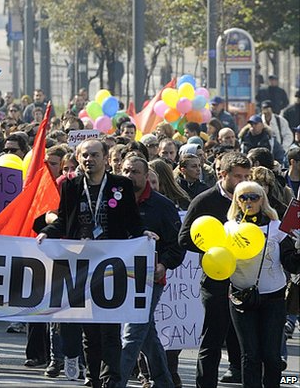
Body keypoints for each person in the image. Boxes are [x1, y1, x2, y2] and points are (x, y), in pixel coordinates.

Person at [37, 139, 153, 388]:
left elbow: (132, 221)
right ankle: (93, 376)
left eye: (94, 155)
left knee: (110, 326)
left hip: (112, 264)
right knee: (89, 328)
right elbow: (64, 220)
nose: (89, 159)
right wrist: (47, 232)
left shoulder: (121, 185)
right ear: (78, 158)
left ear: (105, 158)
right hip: (82, 264)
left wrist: (143, 234)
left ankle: (111, 378)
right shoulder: (71, 186)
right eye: (85, 155)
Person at [178, 151, 252, 387]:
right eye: (238, 176)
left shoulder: (252, 200)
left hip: (247, 279)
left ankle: (243, 377)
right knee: (213, 339)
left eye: (247, 176)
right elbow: (184, 238)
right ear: (223, 174)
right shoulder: (205, 200)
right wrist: (215, 246)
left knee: (248, 343)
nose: (243, 181)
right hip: (216, 279)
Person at [226, 182, 299, 388]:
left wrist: (298, 249)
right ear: (237, 202)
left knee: (272, 356)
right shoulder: (228, 228)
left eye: (254, 197)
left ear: (262, 200)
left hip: (273, 298)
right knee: (250, 355)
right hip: (241, 297)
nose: (248, 201)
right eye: (243, 197)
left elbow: (292, 264)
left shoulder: (276, 228)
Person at [118, 155, 182, 388]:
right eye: (126, 171)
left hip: (149, 281)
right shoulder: (113, 201)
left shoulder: (162, 206)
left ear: (146, 176)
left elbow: (177, 245)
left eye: (135, 172)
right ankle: (164, 381)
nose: (130, 176)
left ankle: (115, 382)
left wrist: (163, 264)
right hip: (116, 278)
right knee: (147, 334)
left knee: (132, 333)